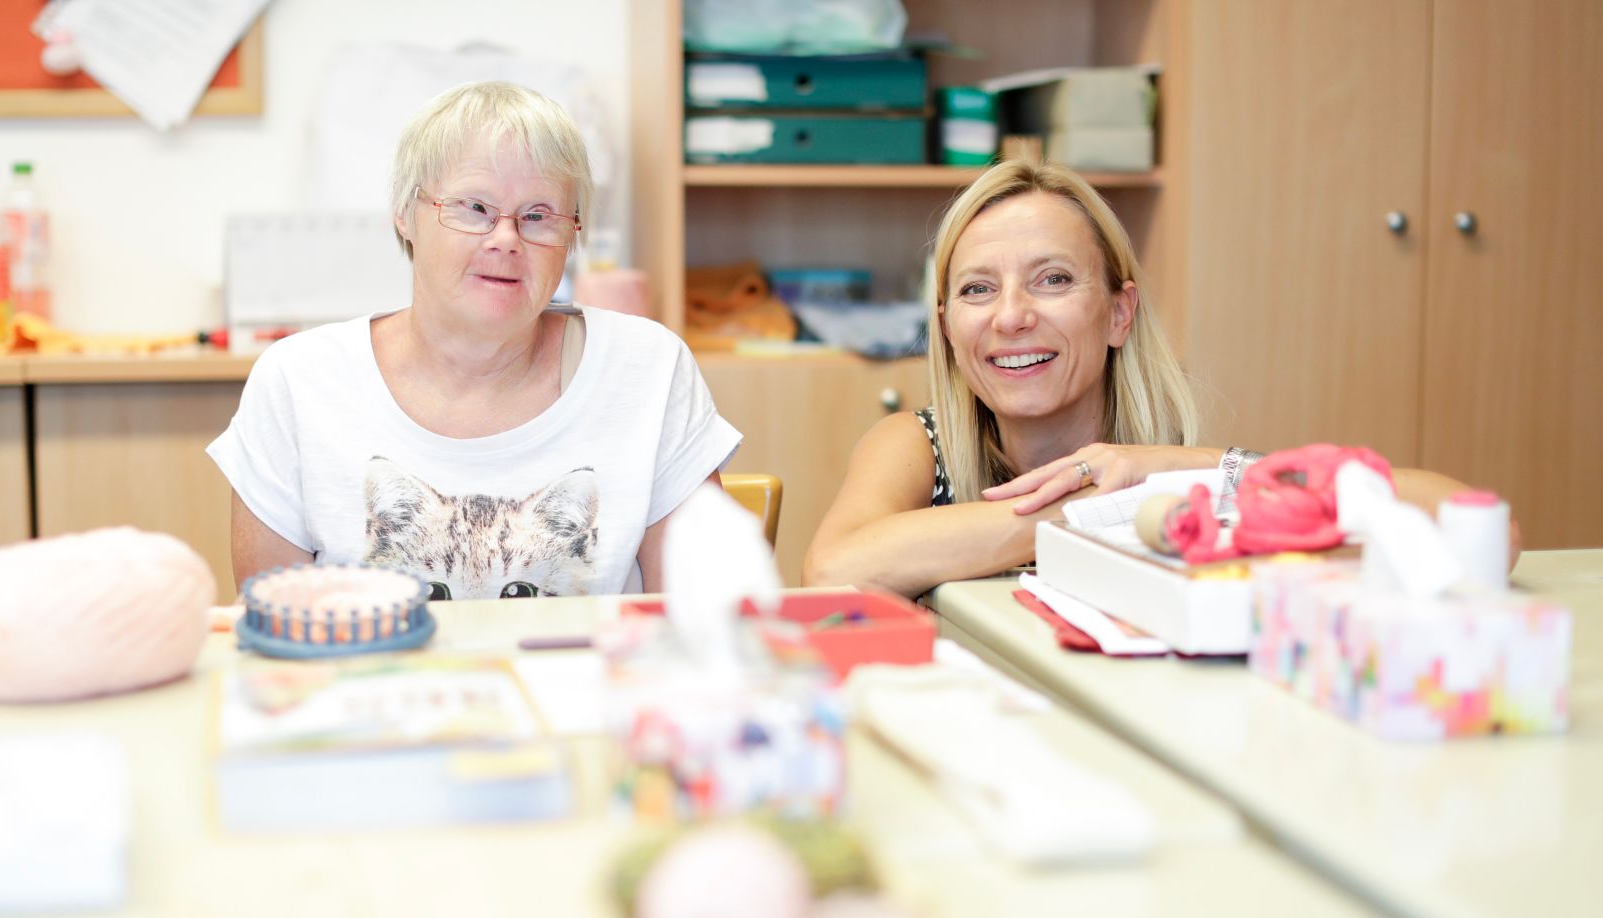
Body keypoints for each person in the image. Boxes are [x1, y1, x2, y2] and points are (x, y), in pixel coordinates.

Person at [804, 159, 1489, 597]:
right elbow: (834, 568)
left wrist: (1196, 469)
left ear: (1118, 313)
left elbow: (1463, 520)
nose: (1011, 317)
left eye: (1053, 280)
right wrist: (1096, 512)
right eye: (979, 290)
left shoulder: (1182, 481)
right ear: (949, 328)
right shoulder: (913, 447)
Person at [209, 82, 741, 599]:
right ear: (405, 213)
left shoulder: (647, 369)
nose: (507, 239)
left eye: (539, 216)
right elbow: (277, 639)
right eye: (475, 209)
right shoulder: (299, 382)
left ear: (572, 235)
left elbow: (701, 624)